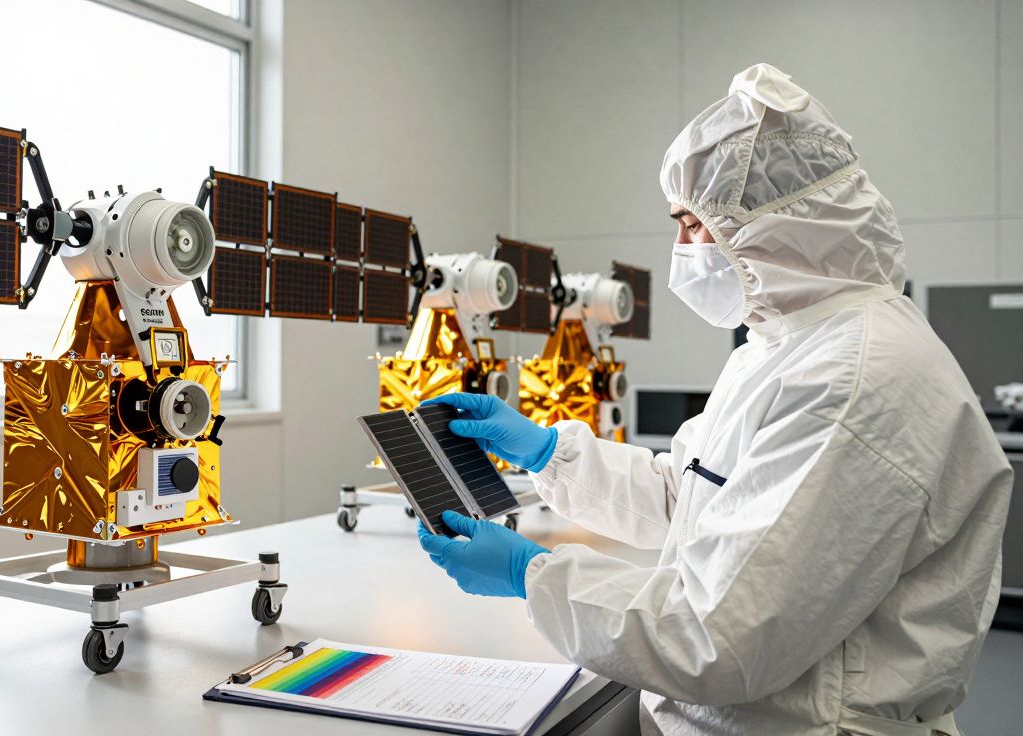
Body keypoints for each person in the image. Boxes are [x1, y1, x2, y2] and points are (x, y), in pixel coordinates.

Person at [417, 63, 1013, 735]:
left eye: (694, 224)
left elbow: (718, 638)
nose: (680, 251)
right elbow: (694, 500)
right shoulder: (787, 345)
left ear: (779, 222)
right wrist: (551, 453)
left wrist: (535, 576)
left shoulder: (853, 379)